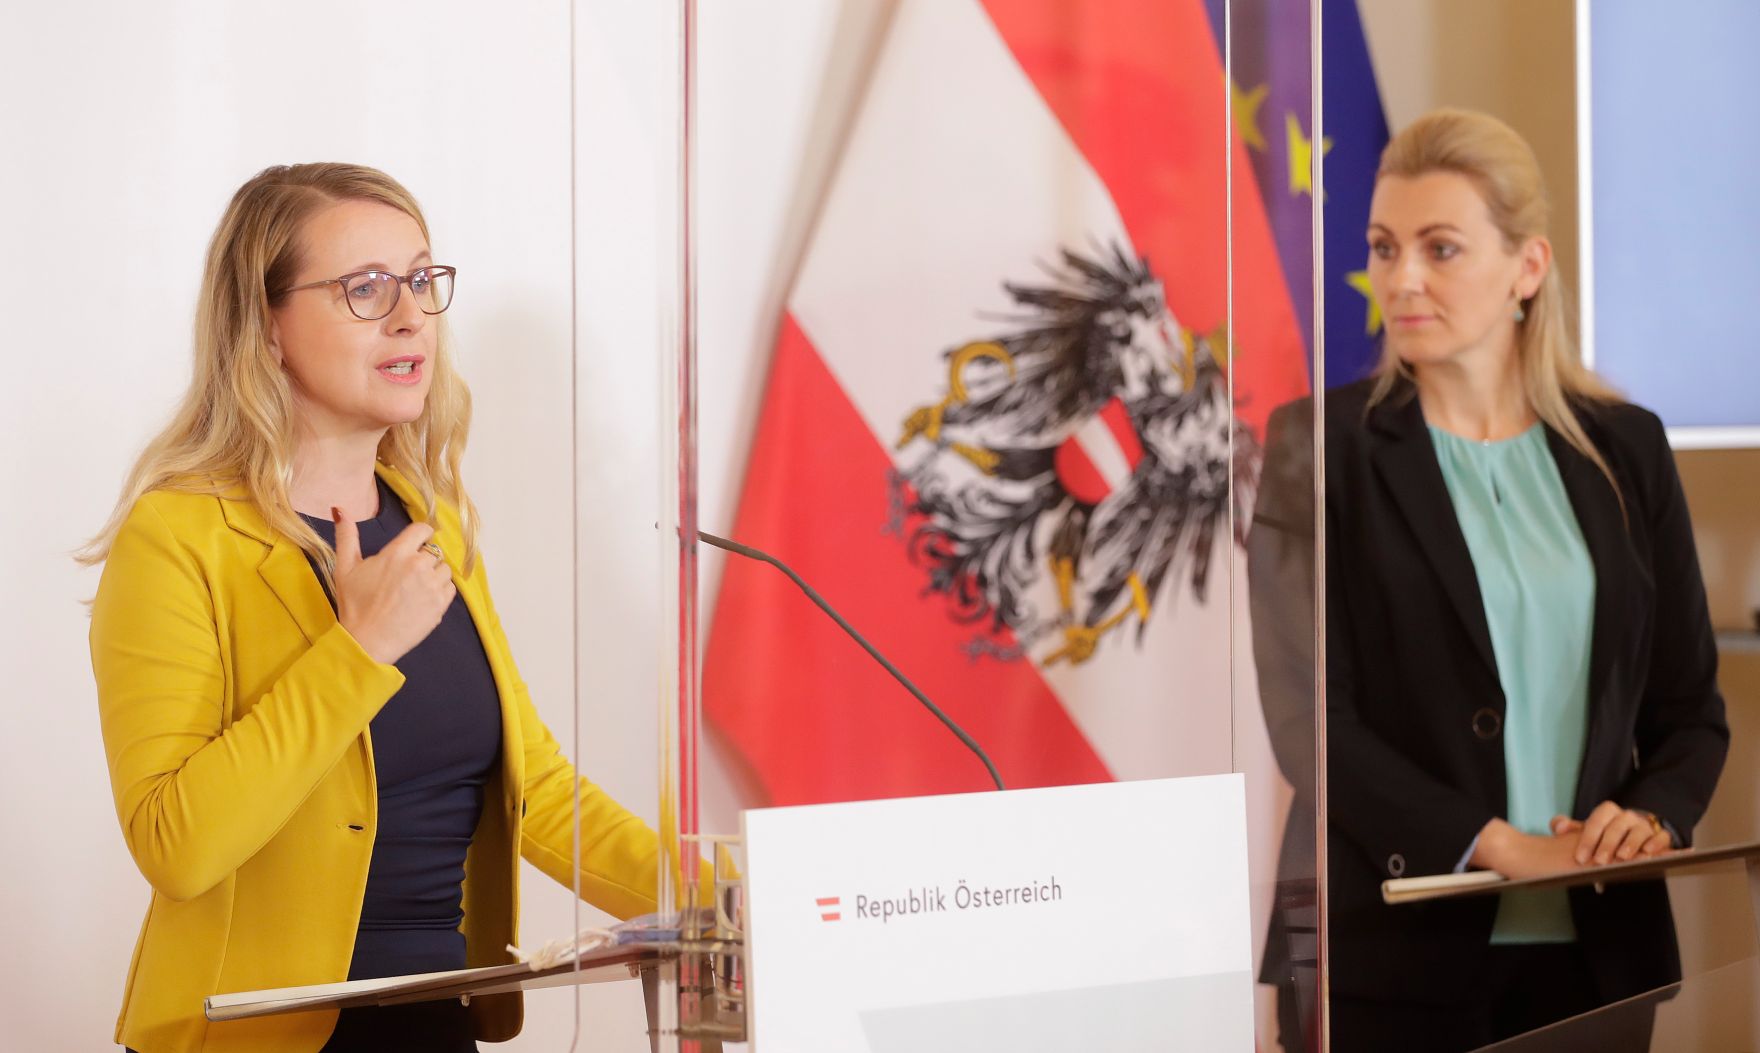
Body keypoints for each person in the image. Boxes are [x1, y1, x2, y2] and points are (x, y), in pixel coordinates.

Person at [84, 163, 699, 1053]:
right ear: (265, 326)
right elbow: (177, 843)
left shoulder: (431, 521)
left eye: (420, 279)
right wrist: (357, 648)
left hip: (434, 1023)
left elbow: (539, 792)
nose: (411, 314)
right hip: (257, 1036)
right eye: (364, 289)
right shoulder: (178, 535)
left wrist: (723, 903)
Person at [1251, 110, 1728, 1052]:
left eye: (1440, 248)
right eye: (1385, 248)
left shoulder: (1627, 451)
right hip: (1384, 958)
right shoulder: (1316, 449)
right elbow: (1308, 720)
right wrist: (1498, 844)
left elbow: (1690, 712)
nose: (1403, 279)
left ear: (1528, 269)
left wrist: (1649, 818)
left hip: (1597, 957)